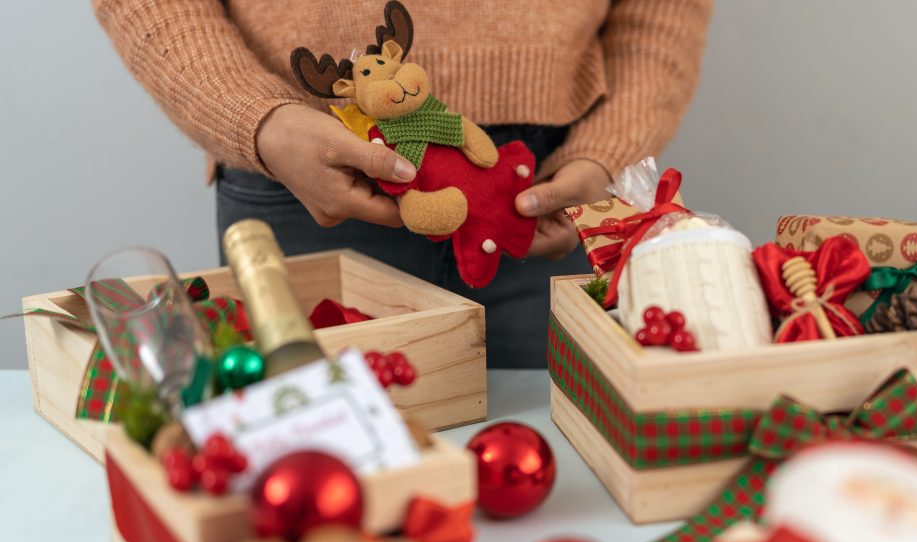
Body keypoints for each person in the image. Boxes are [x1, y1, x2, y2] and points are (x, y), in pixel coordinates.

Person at [93, 0, 713, 368]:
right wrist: (255, 119)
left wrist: (610, 150)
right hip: (300, 173)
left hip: (552, 189)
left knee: (563, 460)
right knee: (312, 456)